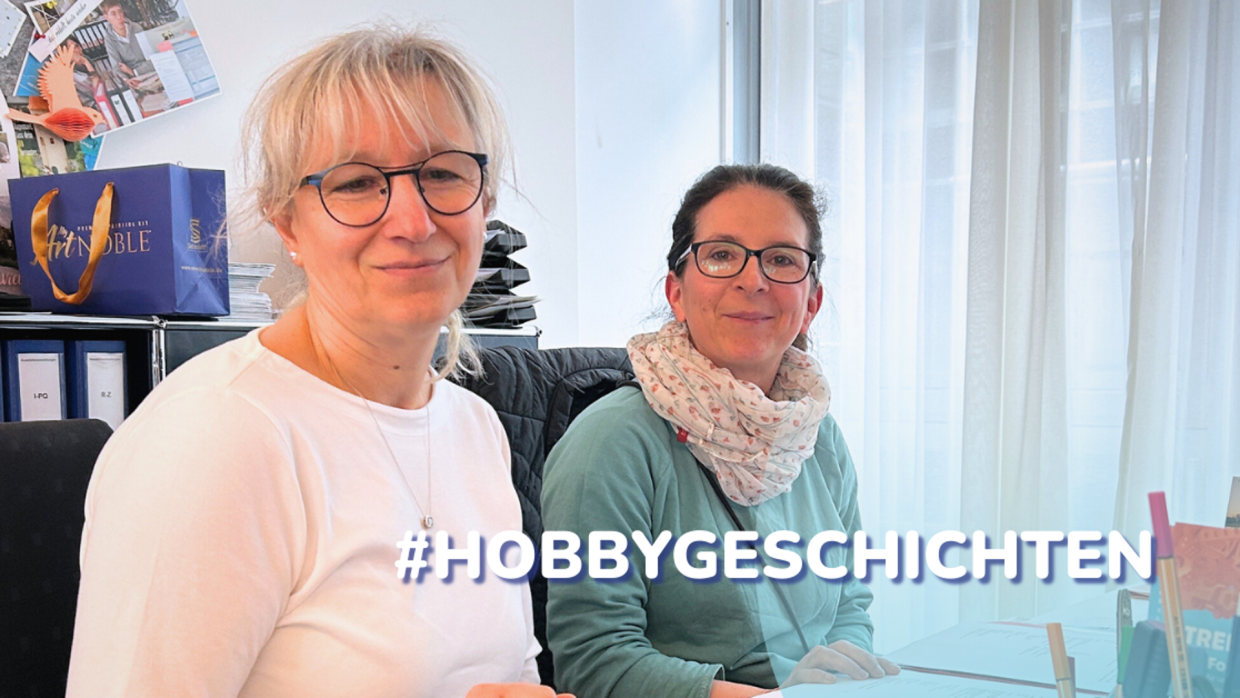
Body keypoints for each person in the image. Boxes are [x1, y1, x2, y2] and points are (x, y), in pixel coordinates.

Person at [66, 26, 568, 698]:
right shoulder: (214, 437)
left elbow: (506, 674)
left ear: (485, 202)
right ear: (286, 223)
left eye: (443, 173)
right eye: (356, 183)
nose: (413, 221)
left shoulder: (475, 428)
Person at [542, 164, 901, 697]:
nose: (752, 280)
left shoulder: (817, 438)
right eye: (722, 255)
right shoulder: (610, 442)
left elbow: (848, 602)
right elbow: (594, 662)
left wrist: (844, 675)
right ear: (677, 293)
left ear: (810, 304)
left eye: (782, 259)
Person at [100, 0, 154, 84]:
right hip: (132, 79)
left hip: (149, 71)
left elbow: (152, 57)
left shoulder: (137, 28)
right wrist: (125, 80)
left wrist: (134, 72)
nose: (119, 17)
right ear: (106, 17)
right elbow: (116, 67)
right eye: (113, 14)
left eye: (120, 11)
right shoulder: (109, 39)